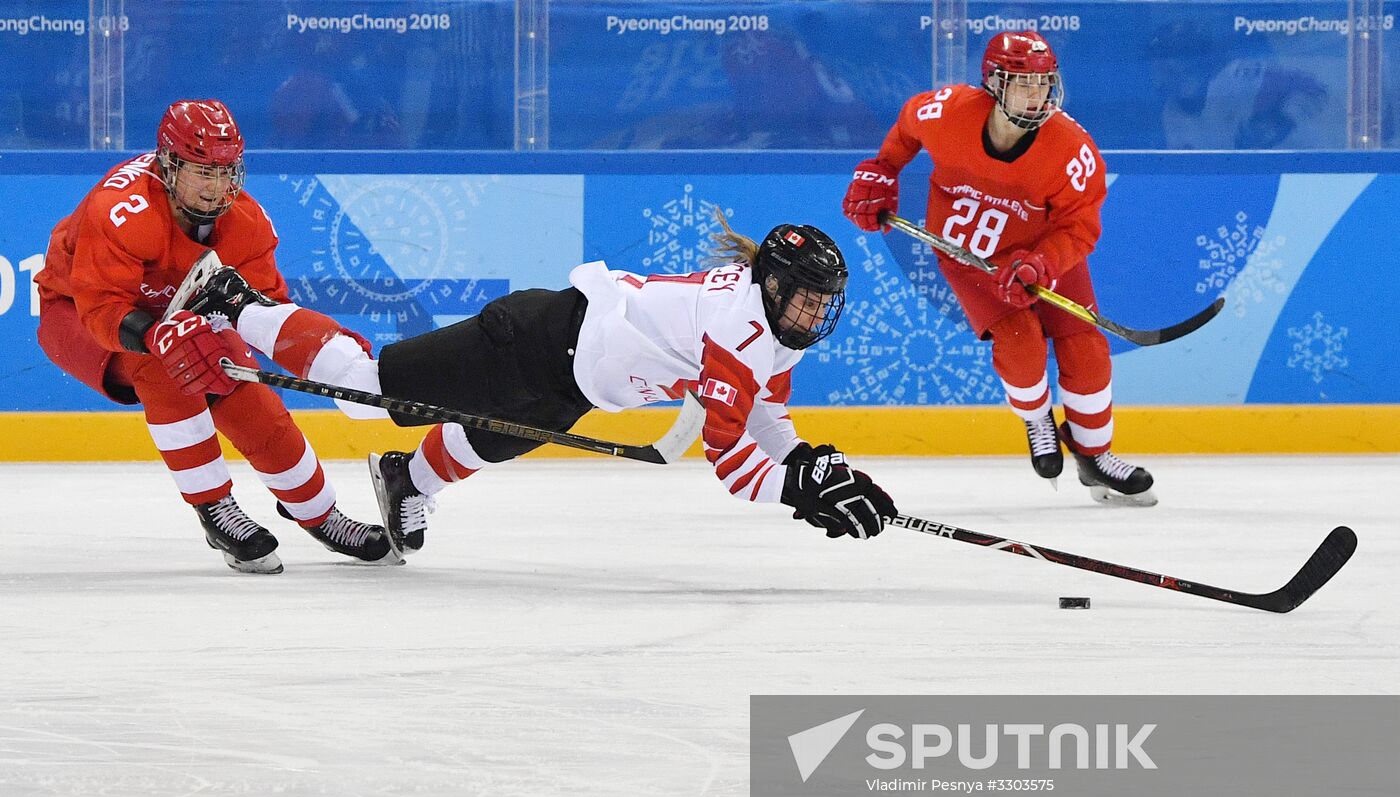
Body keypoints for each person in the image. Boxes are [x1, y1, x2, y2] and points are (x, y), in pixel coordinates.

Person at [165, 213, 899, 556]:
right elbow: (732, 460)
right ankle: (234, 299)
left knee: (488, 443)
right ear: (771, 285)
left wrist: (815, 466)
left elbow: (767, 425)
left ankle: (405, 483)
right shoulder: (741, 328)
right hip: (537, 338)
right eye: (801, 297)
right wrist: (795, 487)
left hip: (577, 382)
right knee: (368, 388)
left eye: (818, 303)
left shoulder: (772, 333)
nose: (810, 313)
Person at [35, 98, 395, 573]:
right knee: (165, 366)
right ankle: (213, 507)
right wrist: (157, 333)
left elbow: (264, 316)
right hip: (77, 314)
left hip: (178, 314)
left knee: (240, 385)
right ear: (169, 165)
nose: (218, 187)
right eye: (204, 172)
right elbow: (100, 306)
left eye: (227, 172)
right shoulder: (123, 208)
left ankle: (320, 514)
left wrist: (330, 354)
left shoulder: (247, 225)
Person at [842, 30, 1156, 506]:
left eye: (1044, 82)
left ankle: (1095, 457)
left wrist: (1043, 263)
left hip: (1046, 253)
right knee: (1022, 348)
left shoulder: (1072, 150)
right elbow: (908, 126)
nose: (1037, 94)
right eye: (1022, 82)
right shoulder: (948, 112)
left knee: (1087, 351)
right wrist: (883, 168)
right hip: (973, 258)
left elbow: (1081, 229)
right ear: (994, 83)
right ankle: (1037, 419)